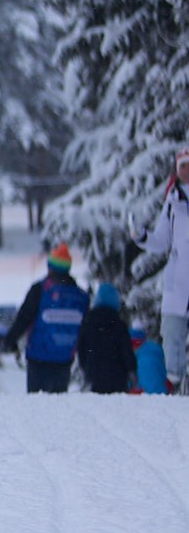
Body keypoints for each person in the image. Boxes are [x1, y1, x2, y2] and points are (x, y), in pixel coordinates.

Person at [1, 243, 89, 394]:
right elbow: (84, 331)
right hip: (64, 360)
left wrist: (9, 341)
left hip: (38, 359)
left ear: (50, 267)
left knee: (37, 404)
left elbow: (23, 319)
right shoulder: (81, 296)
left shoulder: (40, 290)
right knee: (58, 403)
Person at [142, 147, 189, 395]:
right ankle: (174, 387)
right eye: (183, 166)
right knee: (172, 338)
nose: (186, 170)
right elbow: (161, 241)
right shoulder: (173, 200)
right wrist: (142, 237)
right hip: (178, 283)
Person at [75, 281, 136, 395]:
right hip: (117, 377)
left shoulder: (87, 324)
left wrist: (86, 369)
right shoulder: (119, 325)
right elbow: (126, 351)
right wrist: (131, 370)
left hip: (94, 376)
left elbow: (81, 351)